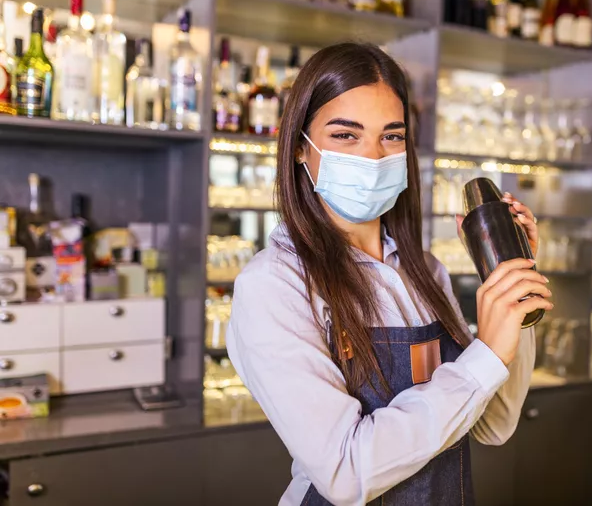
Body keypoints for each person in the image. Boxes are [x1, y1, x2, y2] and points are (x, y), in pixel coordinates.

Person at [227, 42, 553, 506]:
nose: (373, 156)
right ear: (302, 147)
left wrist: (512, 300)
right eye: (346, 135)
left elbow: (493, 424)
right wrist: (483, 356)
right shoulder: (274, 284)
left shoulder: (425, 272)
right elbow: (345, 472)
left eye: (391, 136)